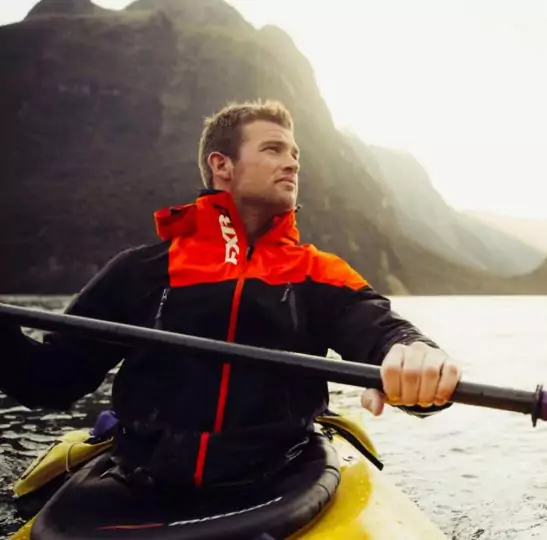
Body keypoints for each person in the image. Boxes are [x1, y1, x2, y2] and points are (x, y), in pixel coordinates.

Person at [0, 99, 462, 489]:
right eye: (273, 149)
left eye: (295, 153)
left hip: (279, 481)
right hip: (143, 482)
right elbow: (49, 381)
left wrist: (416, 356)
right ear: (222, 165)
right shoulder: (139, 272)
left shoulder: (317, 273)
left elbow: (383, 333)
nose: (293, 162)